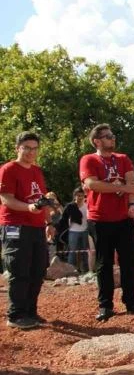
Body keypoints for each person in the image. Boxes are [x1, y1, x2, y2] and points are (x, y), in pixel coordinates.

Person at [79, 124, 134, 321]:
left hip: (124, 218)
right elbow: (91, 184)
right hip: (99, 219)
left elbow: (132, 184)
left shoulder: (123, 159)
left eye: (113, 136)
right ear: (97, 141)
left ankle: (131, 301)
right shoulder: (88, 159)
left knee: (129, 262)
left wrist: (131, 202)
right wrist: (121, 187)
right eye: (107, 137)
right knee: (103, 263)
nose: (112, 139)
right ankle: (105, 305)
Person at [0, 132, 49, 329]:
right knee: (19, 269)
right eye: (26, 148)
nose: (31, 152)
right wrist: (28, 207)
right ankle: (16, 314)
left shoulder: (36, 170)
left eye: (34, 148)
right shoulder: (8, 169)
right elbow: (6, 199)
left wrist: (49, 222)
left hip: (37, 226)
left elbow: (41, 198)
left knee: (38, 269)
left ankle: (30, 311)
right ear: (17, 148)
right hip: (15, 225)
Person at [60, 187, 90, 273]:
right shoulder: (70, 206)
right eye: (78, 195)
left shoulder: (87, 205)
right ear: (74, 196)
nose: (80, 197)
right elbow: (63, 219)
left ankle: (86, 271)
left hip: (85, 231)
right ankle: (71, 271)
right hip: (73, 231)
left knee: (85, 252)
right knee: (72, 252)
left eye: (82, 195)